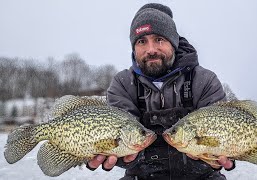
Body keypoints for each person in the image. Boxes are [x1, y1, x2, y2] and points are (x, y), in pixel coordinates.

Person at [87, 3, 235, 180]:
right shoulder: (123, 83)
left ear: (173, 43)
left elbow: (227, 133)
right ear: (134, 48)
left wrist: (226, 153)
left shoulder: (204, 80)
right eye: (142, 41)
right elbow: (122, 139)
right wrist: (119, 157)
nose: (151, 50)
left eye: (159, 39)